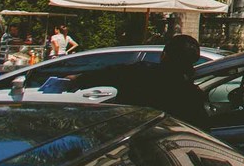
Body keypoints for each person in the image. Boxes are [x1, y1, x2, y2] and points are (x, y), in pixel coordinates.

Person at [75, 35, 207, 128]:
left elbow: (103, 75)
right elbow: (201, 127)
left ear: (164, 55)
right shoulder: (192, 95)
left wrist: (77, 79)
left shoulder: (140, 73)